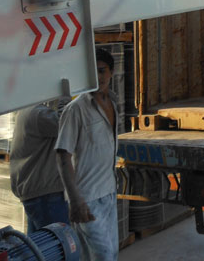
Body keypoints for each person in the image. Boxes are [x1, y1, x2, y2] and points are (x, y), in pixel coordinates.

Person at [56, 48, 119, 259]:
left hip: (109, 192)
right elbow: (63, 155)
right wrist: (75, 200)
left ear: (111, 72)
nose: (98, 77)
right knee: (104, 256)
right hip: (87, 198)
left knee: (110, 254)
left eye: (102, 71)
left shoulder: (113, 104)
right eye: (93, 72)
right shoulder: (75, 109)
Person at [10, 99, 70, 231]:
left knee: (40, 242)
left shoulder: (27, 110)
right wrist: (65, 99)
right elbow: (66, 124)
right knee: (60, 240)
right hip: (46, 195)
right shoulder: (38, 114)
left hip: (38, 193)